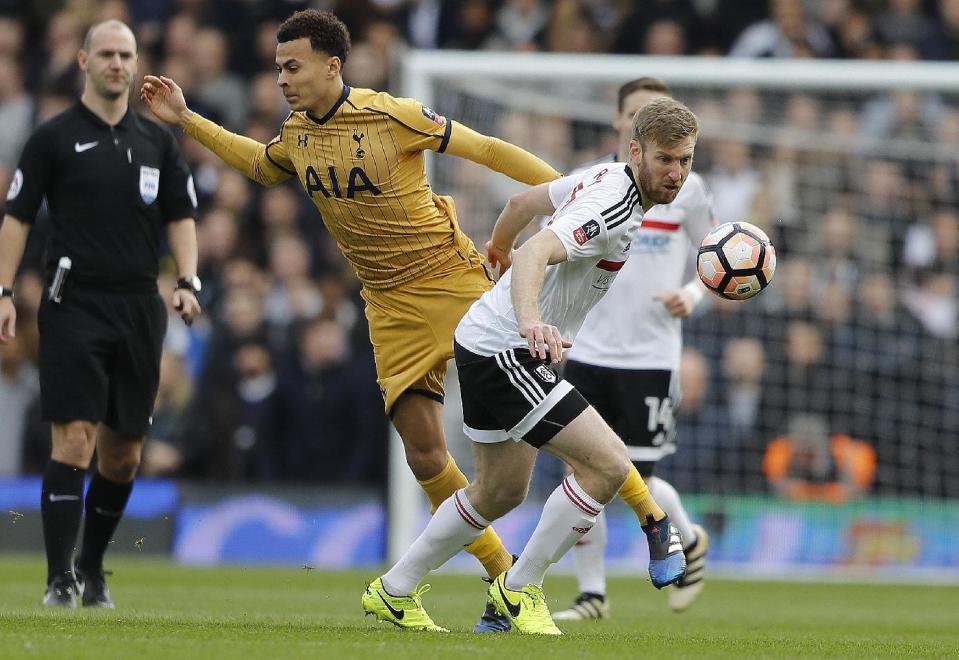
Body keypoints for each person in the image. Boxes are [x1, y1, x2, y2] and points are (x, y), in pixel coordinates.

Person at [140, 9, 561, 630]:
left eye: (293, 66)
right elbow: (262, 165)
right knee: (424, 456)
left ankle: (629, 511)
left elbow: (489, 148)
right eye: (278, 67)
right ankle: (505, 577)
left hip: (451, 281)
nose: (282, 79)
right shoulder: (297, 134)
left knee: (529, 415)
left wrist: (574, 194)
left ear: (332, 65)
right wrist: (186, 120)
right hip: (388, 304)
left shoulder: (393, 114)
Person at [362, 97, 698, 634]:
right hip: (506, 348)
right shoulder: (611, 204)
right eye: (665, 159)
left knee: (499, 492)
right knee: (608, 464)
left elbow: (522, 202)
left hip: (487, 340)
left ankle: (393, 591)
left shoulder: (607, 178)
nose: (676, 173)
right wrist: (528, 319)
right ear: (636, 151)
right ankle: (518, 590)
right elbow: (536, 250)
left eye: (685, 161)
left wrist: (495, 243)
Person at [0, 20, 200, 608]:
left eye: (127, 55)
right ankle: (58, 576)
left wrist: (187, 279)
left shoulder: (158, 141)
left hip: (140, 303)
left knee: (125, 452)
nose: (117, 64)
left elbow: (180, 217)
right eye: (107, 54)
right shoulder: (52, 138)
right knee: (74, 440)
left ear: (137, 63)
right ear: (84, 60)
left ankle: (92, 568)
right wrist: (4, 291)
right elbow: (16, 216)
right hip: (72, 302)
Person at [551, 77, 717, 620]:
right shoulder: (593, 182)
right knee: (582, 475)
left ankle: (688, 537)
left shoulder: (687, 188)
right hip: (588, 347)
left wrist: (693, 294)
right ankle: (592, 594)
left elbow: (718, 256)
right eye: (638, 114)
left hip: (650, 354)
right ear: (624, 127)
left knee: (635, 479)